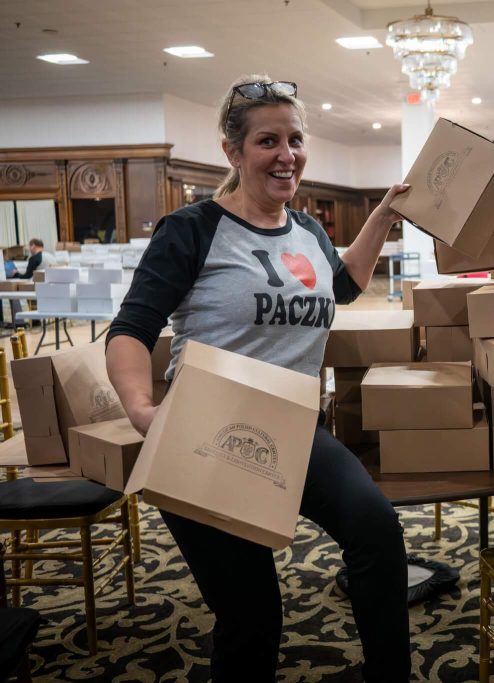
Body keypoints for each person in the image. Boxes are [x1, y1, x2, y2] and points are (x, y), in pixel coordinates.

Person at [105, 75, 411, 682]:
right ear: (233, 151)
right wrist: (142, 410)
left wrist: (382, 215)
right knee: (253, 617)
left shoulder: (308, 230)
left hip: (294, 427)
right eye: (268, 140)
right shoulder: (191, 229)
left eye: (295, 139)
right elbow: (131, 329)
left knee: (377, 531)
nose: (286, 154)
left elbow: (343, 286)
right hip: (207, 436)